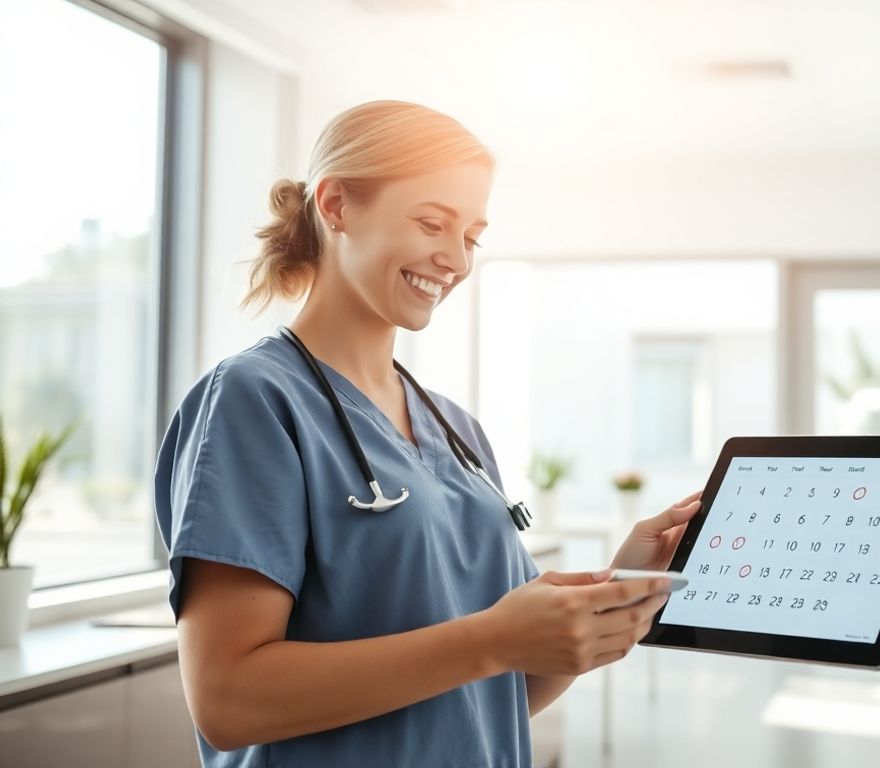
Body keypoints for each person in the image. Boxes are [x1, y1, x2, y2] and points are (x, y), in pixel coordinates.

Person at [153, 100, 701, 767]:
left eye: (472, 236)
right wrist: (490, 641)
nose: (456, 260)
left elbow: (500, 692)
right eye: (432, 223)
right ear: (336, 205)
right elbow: (228, 700)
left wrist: (624, 583)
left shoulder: (457, 430)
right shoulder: (255, 401)